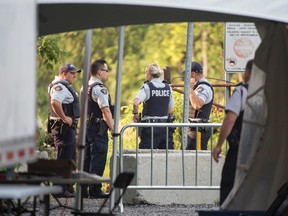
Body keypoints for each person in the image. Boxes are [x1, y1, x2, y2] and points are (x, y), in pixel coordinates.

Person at [212, 59, 253, 205]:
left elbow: (230, 119)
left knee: (229, 186)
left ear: (247, 73)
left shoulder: (242, 92)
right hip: (263, 149)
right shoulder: (272, 93)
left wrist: (218, 145)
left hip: (240, 149)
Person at [47, 63, 81, 198]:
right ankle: (58, 189)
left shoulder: (64, 86)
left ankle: (67, 187)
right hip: (63, 129)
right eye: (72, 73)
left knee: (70, 158)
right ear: (64, 74)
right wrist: (65, 118)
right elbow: (55, 102)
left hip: (67, 129)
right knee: (64, 158)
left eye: (75, 73)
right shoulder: (59, 86)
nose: (75, 76)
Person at [83, 59, 114, 199]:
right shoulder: (99, 88)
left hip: (87, 126)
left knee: (87, 158)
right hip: (98, 127)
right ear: (100, 72)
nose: (107, 74)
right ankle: (95, 189)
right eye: (106, 71)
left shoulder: (86, 86)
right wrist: (113, 129)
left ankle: (83, 189)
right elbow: (105, 111)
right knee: (98, 157)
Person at [133, 62, 175, 149]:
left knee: (146, 158)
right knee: (166, 159)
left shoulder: (147, 87)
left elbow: (136, 103)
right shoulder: (168, 87)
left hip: (150, 129)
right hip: (165, 129)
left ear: (149, 74)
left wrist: (136, 114)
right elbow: (170, 110)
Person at [187, 61, 214, 150]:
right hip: (194, 129)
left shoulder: (203, 87)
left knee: (197, 160)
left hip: (199, 130)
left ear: (193, 74)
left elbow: (197, 105)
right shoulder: (198, 86)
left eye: (187, 75)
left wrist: (190, 89)